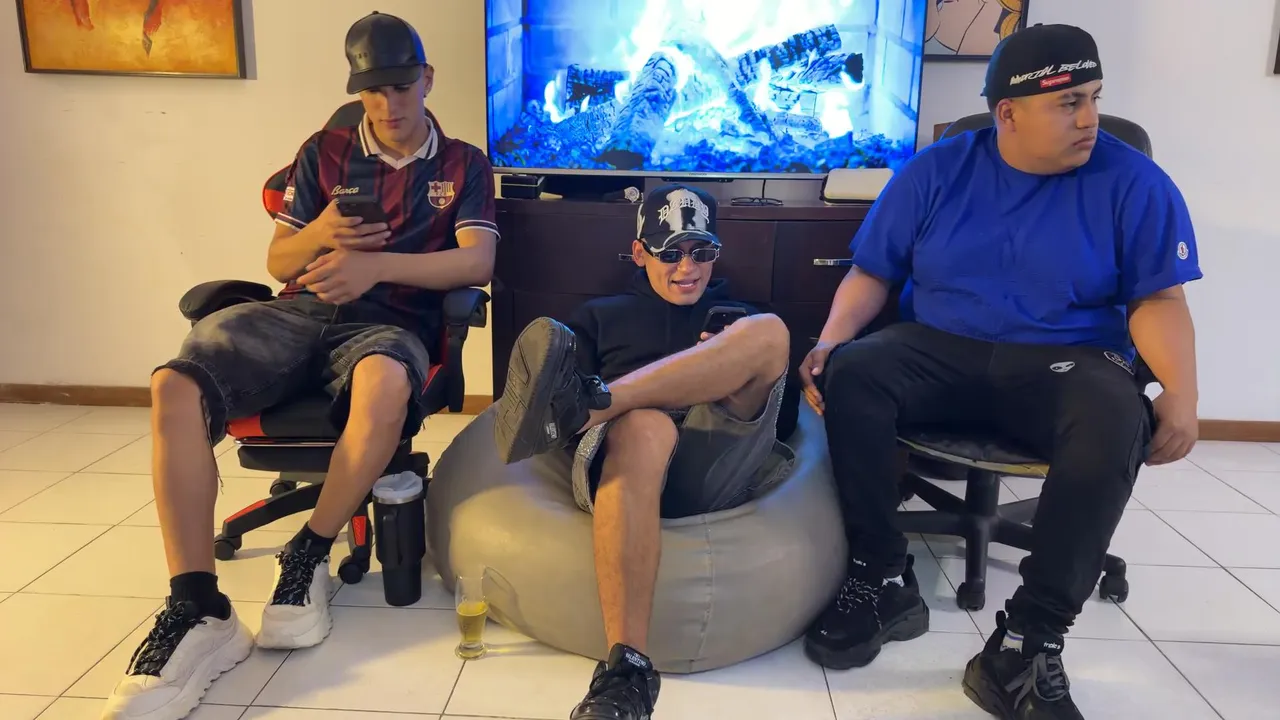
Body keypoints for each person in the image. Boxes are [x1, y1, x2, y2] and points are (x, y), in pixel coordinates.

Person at [101, 12, 498, 720]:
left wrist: (375, 265)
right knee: (174, 384)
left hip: (391, 322)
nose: (388, 105)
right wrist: (318, 232)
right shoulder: (325, 151)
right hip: (300, 312)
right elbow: (279, 260)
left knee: (383, 382)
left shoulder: (464, 163)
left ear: (427, 79)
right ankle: (197, 605)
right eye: (372, 91)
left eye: (401, 87)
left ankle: (309, 550)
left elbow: (477, 261)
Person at [798, 24, 1201, 720]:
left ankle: (1026, 640)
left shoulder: (1135, 182)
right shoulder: (937, 170)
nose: (1090, 118)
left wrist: (1183, 396)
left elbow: (1159, 300)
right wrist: (831, 342)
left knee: (1116, 414)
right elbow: (873, 272)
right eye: (1068, 102)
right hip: (941, 345)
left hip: (1066, 359)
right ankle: (882, 575)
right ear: (1008, 112)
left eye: (1094, 98)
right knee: (854, 371)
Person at [490, 184, 800, 720]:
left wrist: (720, 373)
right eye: (670, 252)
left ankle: (596, 404)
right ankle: (627, 672)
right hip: (630, 464)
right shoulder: (599, 317)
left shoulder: (742, 318)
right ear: (639, 253)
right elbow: (554, 426)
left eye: (702, 251)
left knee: (770, 333)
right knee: (646, 425)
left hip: (716, 458)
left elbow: (784, 422)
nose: (688, 267)